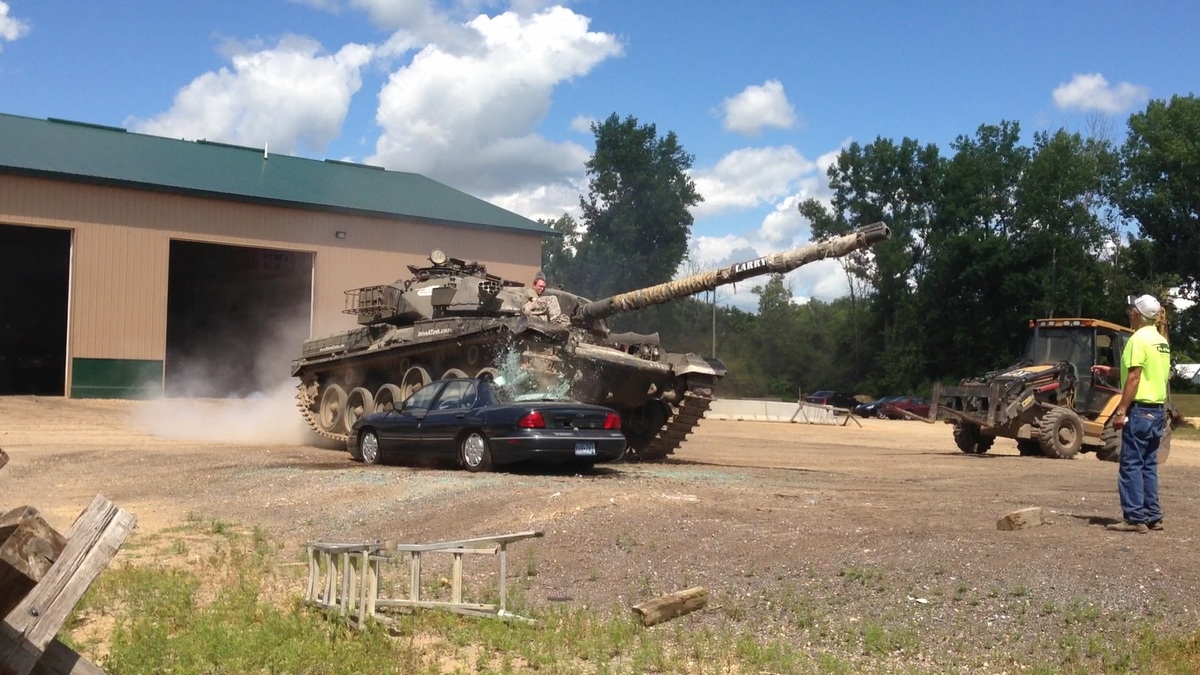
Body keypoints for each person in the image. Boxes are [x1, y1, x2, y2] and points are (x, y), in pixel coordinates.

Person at [1091, 294, 1171, 533]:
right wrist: (1112, 371)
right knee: (1148, 464)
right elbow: (1143, 373)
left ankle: (1134, 518)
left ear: (1137, 314)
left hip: (1139, 410)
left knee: (1130, 464)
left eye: (1130, 310)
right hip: (1157, 410)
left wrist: (1121, 409)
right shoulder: (1161, 342)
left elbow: (1135, 378)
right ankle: (1152, 515)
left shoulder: (1137, 340)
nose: (1129, 313)